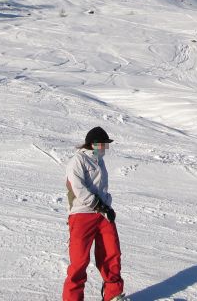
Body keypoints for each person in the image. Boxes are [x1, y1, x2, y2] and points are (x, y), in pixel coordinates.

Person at [63, 127, 128, 301]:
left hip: (102, 214)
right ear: (94, 144)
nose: (105, 148)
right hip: (82, 214)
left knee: (112, 253)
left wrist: (107, 205)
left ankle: (113, 294)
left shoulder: (99, 161)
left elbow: (101, 188)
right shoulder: (78, 161)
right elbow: (78, 189)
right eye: (103, 144)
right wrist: (99, 205)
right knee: (79, 261)